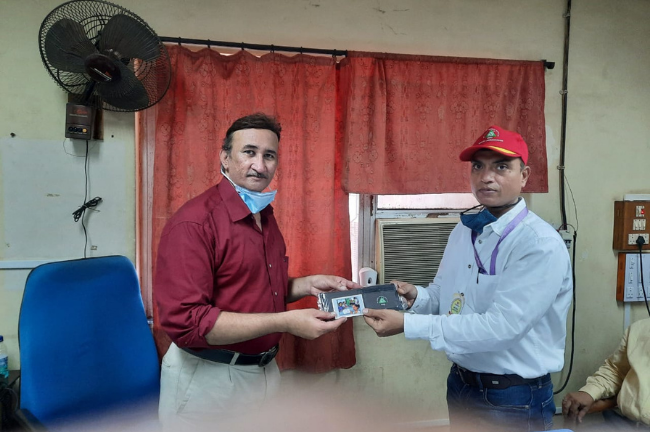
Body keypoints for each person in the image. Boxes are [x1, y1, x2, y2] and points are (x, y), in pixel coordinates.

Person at [154, 113, 358, 430]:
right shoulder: (194, 223)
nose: (260, 166)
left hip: (263, 373)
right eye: (249, 152)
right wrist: (285, 322)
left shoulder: (263, 214)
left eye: (269, 155)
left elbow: (253, 288)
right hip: (208, 382)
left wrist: (306, 285)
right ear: (224, 157)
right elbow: (189, 322)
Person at [363, 125, 573, 432]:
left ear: (524, 176)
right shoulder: (464, 230)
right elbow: (445, 296)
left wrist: (408, 324)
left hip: (512, 397)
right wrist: (416, 297)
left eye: (501, 167)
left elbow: (502, 328)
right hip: (461, 384)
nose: (486, 177)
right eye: (478, 166)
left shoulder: (538, 243)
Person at [562, 318, 650, 430]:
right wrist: (589, 392)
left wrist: (609, 403)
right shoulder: (640, 328)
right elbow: (616, 370)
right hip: (628, 424)